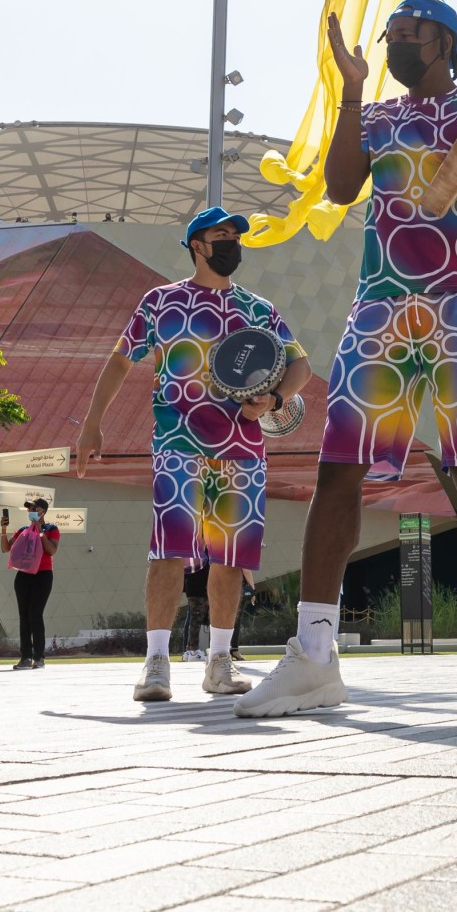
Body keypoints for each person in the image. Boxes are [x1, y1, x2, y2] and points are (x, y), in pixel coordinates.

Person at [241, 0, 457, 717]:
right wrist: (348, 89)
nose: (397, 41)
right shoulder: (377, 115)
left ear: (444, 41)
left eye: (409, 32)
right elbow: (342, 187)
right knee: (337, 472)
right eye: (392, 33)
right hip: (382, 307)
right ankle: (313, 655)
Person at [75, 205, 311, 702]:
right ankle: (156, 663)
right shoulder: (161, 302)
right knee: (169, 549)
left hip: (243, 448)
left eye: (236, 236)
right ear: (197, 246)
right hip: (178, 445)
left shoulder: (258, 308)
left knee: (231, 557)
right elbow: (121, 361)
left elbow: (300, 364)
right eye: (221, 236)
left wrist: (276, 399)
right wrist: (92, 423)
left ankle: (219, 662)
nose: (232, 244)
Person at [2, 499, 60, 668]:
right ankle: (25, 657)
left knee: (35, 614)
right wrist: (4, 529)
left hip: (42, 575)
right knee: (24, 616)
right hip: (23, 576)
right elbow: (6, 548)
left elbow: (51, 550)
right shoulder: (23, 531)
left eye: (35, 508)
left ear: (43, 511)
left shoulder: (52, 529)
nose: (31, 511)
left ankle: (39, 657)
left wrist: (40, 529)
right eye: (29, 509)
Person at [181, 564, 210, 661]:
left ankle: (189, 650)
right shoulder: (201, 553)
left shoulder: (194, 553)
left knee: (194, 619)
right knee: (196, 620)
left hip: (194, 588)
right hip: (198, 589)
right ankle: (193, 650)